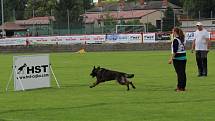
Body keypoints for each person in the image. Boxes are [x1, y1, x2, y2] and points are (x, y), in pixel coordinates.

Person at [168, 27, 187, 92]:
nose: (172, 32)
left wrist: (171, 59)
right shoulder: (183, 39)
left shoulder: (175, 40)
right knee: (183, 73)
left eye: (173, 31)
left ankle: (179, 87)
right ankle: (183, 87)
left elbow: (175, 51)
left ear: (175, 32)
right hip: (184, 57)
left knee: (179, 73)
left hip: (178, 59)